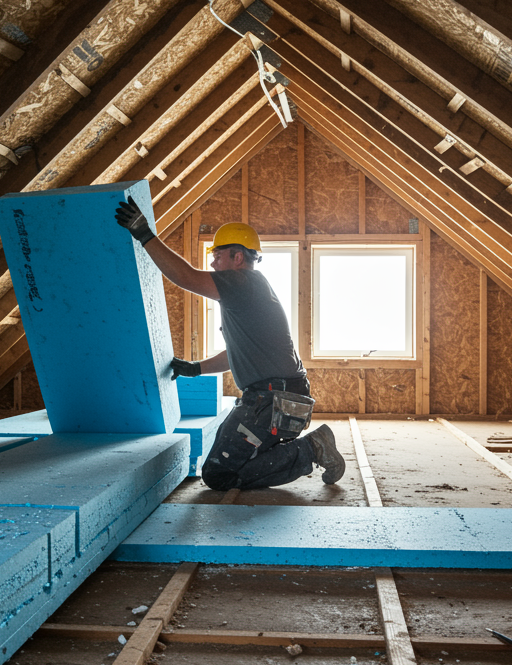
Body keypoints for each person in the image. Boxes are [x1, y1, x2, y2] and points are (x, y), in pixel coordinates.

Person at [115, 195, 345, 490]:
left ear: (238, 257)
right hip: (272, 398)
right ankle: (308, 447)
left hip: (274, 400)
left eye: (217, 255)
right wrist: (196, 368)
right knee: (223, 463)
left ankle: (313, 448)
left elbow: (185, 277)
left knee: (219, 475)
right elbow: (236, 354)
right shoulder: (247, 294)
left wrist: (144, 234)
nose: (213, 262)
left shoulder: (243, 282)